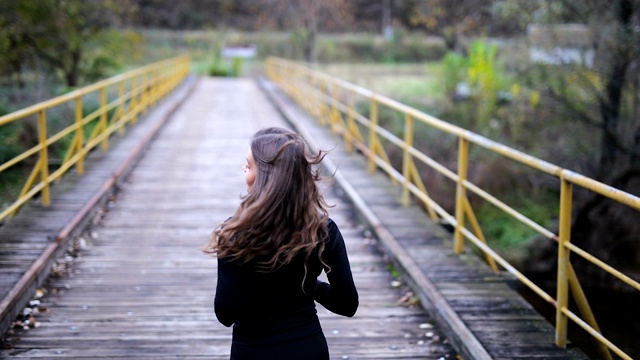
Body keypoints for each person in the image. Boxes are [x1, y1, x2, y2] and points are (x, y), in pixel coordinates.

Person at [203, 127, 359, 360]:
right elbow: (346, 304)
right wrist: (308, 284)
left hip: (253, 352)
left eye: (248, 165)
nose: (244, 170)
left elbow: (225, 313)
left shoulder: (235, 233)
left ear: (265, 176)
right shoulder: (323, 229)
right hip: (307, 349)